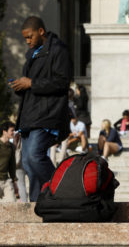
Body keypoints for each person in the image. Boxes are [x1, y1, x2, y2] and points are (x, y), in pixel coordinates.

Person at [10, 16, 72, 202]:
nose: (27, 41)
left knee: (35, 157)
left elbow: (62, 83)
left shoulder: (58, 50)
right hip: (30, 116)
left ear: (41, 31)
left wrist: (31, 83)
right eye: (25, 38)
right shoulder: (32, 54)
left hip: (47, 115)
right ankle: (37, 203)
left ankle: (64, 189)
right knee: (28, 163)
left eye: (30, 37)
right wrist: (20, 86)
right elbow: (33, 86)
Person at [0, 121, 18, 202]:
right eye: (12, 130)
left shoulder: (11, 147)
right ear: (4, 132)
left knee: (13, 203)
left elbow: (12, 166)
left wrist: (15, 183)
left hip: (6, 181)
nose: (13, 132)